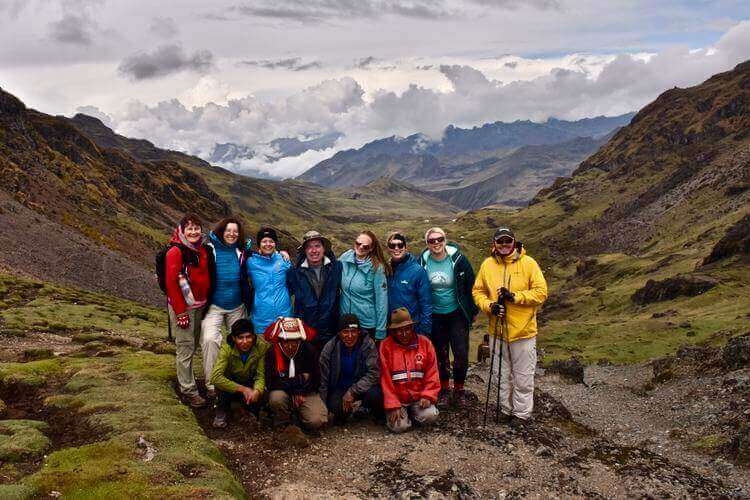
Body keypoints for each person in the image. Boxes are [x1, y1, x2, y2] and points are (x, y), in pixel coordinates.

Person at [472, 227, 548, 427]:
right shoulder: (487, 265)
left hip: (523, 331)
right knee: (501, 374)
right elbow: (478, 292)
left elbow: (541, 292)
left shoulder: (529, 263)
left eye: (508, 241)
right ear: (494, 244)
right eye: (500, 242)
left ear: (514, 242)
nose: (504, 245)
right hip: (497, 330)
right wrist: (491, 306)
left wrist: (515, 297)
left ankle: (521, 414)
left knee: (523, 376)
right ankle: (505, 409)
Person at [418, 227, 478, 408]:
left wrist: (472, 311)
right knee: (439, 354)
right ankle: (444, 390)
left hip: (457, 314)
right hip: (435, 315)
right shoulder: (422, 262)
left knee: (460, 353)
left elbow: (471, 285)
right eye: (431, 241)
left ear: (445, 240)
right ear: (427, 244)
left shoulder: (459, 260)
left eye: (439, 239)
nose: (436, 243)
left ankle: (459, 390)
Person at [164, 213, 214, 408]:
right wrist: (180, 313)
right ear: (182, 230)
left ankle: (196, 384)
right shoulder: (175, 252)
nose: (194, 232)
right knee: (185, 347)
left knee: (195, 345)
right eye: (190, 228)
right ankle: (188, 390)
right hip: (184, 308)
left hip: (200, 306)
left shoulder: (201, 249)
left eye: (196, 228)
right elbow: (171, 284)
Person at [202, 217, 248, 399]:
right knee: (210, 340)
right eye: (229, 231)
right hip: (214, 306)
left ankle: (238, 381)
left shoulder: (243, 251)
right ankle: (212, 384)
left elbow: (265, 253)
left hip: (237, 306)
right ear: (222, 231)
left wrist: (281, 252)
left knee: (241, 343)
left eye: (235, 231)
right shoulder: (209, 249)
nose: (232, 234)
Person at [379, 308, 440, 433]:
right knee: (399, 427)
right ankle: (400, 414)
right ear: (393, 331)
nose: (404, 333)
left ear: (412, 327)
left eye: (407, 329)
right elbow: (384, 379)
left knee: (431, 416)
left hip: (419, 398)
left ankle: (413, 414)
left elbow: (432, 373)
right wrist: (393, 404)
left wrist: (428, 395)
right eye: (399, 330)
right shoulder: (385, 346)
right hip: (398, 400)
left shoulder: (425, 343)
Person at [264, 317, 328, 432]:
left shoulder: (310, 350)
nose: (290, 345)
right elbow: (271, 382)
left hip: (306, 392)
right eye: (285, 341)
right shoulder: (272, 352)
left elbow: (316, 379)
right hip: (283, 392)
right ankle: (283, 421)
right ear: (280, 339)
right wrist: (298, 383)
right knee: (276, 398)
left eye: (294, 340)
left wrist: (301, 391)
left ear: (299, 339)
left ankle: (300, 418)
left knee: (317, 420)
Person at [319, 314, 383, 424]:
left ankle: (364, 408)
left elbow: (374, 373)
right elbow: (323, 380)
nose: (350, 336)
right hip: (340, 389)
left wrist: (352, 391)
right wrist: (323, 408)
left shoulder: (368, 344)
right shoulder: (330, 348)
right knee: (335, 406)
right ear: (339, 333)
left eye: (353, 331)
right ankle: (350, 411)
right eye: (345, 332)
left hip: (362, 387)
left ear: (358, 332)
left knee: (376, 395)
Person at [209, 319, 270, 428]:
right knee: (222, 384)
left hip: (249, 382)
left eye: (248, 337)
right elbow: (215, 377)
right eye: (240, 338)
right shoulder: (227, 348)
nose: (245, 341)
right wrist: (243, 389)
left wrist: (257, 391)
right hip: (232, 384)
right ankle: (222, 409)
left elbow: (260, 375)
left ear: (254, 337)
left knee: (262, 395)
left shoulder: (261, 347)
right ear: (234, 338)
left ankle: (247, 410)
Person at [287, 230, 342, 351]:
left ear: (324, 249)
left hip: (330, 332)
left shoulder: (337, 268)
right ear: (305, 251)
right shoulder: (294, 273)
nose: (314, 251)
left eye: (317, 246)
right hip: (306, 333)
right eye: (309, 247)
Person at [339, 231, 389, 341]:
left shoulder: (377, 268)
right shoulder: (345, 258)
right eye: (358, 243)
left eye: (365, 246)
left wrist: (380, 330)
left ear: (371, 249)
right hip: (346, 321)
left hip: (366, 324)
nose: (360, 247)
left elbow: (382, 301)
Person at [244, 227, 292, 335]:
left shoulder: (283, 260)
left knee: (285, 350)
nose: (268, 244)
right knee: (264, 351)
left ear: (275, 244)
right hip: (261, 319)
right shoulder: (251, 262)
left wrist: (283, 252)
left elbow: (294, 280)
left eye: (271, 241)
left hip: (284, 318)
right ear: (259, 244)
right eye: (264, 241)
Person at [386, 232, 433, 337]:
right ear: (388, 249)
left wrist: (424, 331)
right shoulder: (385, 270)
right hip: (391, 328)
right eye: (392, 245)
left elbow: (426, 303)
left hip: (412, 329)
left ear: (406, 247)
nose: (396, 248)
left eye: (400, 245)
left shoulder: (418, 271)